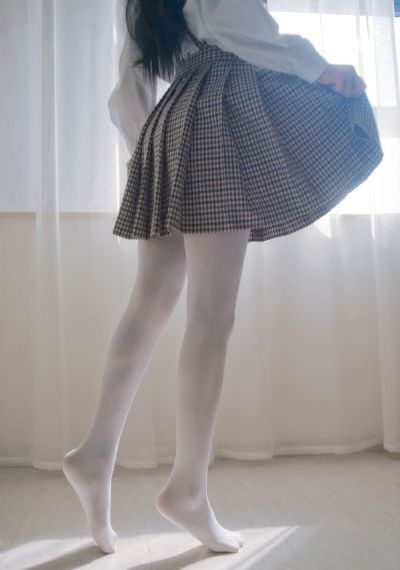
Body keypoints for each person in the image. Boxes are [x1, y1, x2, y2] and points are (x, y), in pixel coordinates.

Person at [62, 0, 382, 556]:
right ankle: (187, 487)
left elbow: (130, 85)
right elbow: (243, 27)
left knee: (150, 303)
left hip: (169, 123)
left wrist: (148, 151)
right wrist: (320, 68)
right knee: (211, 315)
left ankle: (95, 452)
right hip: (218, 117)